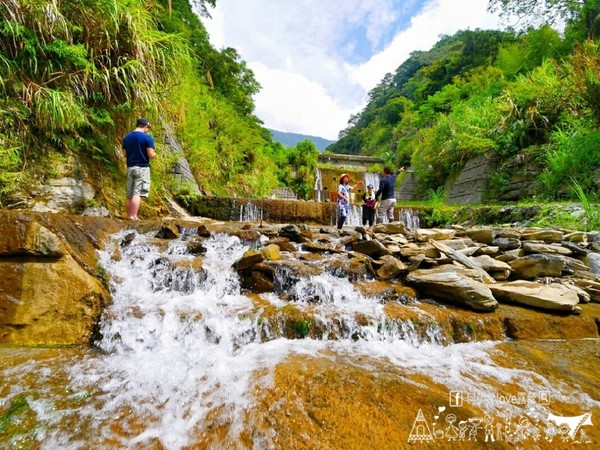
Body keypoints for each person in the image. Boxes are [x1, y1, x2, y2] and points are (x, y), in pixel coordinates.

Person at [122, 118, 156, 220]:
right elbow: (151, 155)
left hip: (130, 167)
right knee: (137, 193)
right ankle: (134, 216)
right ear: (145, 126)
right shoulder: (147, 138)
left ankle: (129, 216)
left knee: (129, 194)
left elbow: (124, 154)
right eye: (148, 127)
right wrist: (154, 154)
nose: (148, 129)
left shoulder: (127, 137)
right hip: (142, 168)